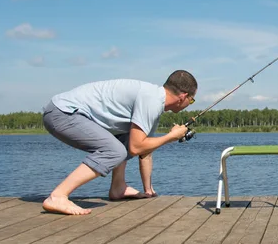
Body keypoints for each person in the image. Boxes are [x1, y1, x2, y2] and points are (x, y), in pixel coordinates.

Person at [41, 70, 197, 215]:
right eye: (192, 100)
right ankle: (58, 196)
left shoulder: (154, 101)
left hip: (65, 113)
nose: (190, 104)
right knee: (115, 150)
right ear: (183, 96)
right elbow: (137, 148)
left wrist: (148, 190)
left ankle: (118, 187)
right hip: (63, 113)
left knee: (125, 141)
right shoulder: (151, 100)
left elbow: (144, 150)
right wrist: (171, 137)